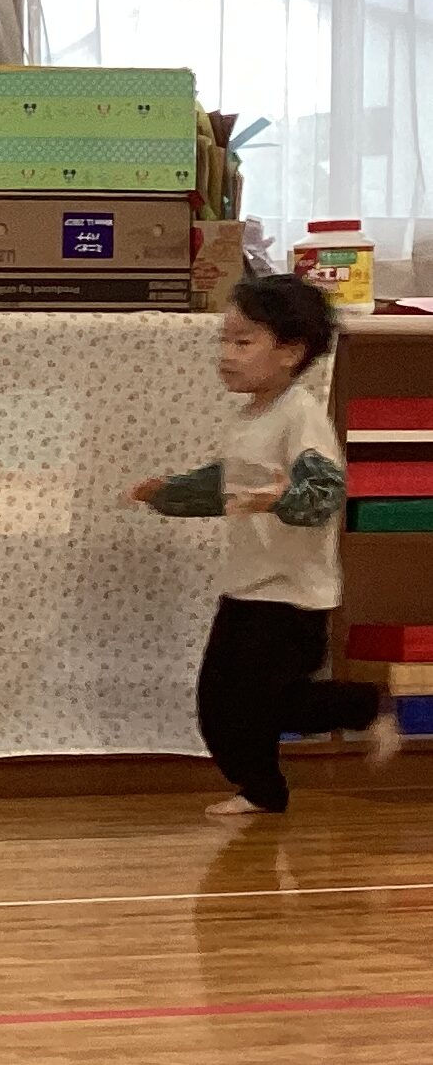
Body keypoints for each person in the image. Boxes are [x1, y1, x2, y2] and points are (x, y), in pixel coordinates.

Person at [131, 273, 402, 816]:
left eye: (243, 341)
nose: (226, 355)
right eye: (224, 340)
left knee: (267, 703)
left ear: (290, 352)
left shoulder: (300, 415)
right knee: (219, 705)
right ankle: (262, 790)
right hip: (248, 585)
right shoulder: (250, 417)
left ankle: (364, 704)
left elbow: (324, 493)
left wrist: (282, 498)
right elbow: (225, 483)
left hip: (292, 594)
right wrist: (168, 494)